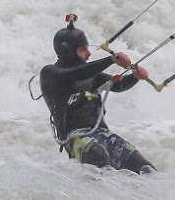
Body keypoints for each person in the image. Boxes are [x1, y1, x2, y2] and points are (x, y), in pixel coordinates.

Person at [39, 15, 156, 174]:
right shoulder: (51, 74)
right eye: (83, 49)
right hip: (74, 138)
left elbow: (119, 85)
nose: (88, 53)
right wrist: (110, 60)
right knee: (98, 154)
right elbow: (74, 74)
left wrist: (135, 77)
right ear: (68, 51)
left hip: (103, 134)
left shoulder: (91, 74)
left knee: (144, 167)